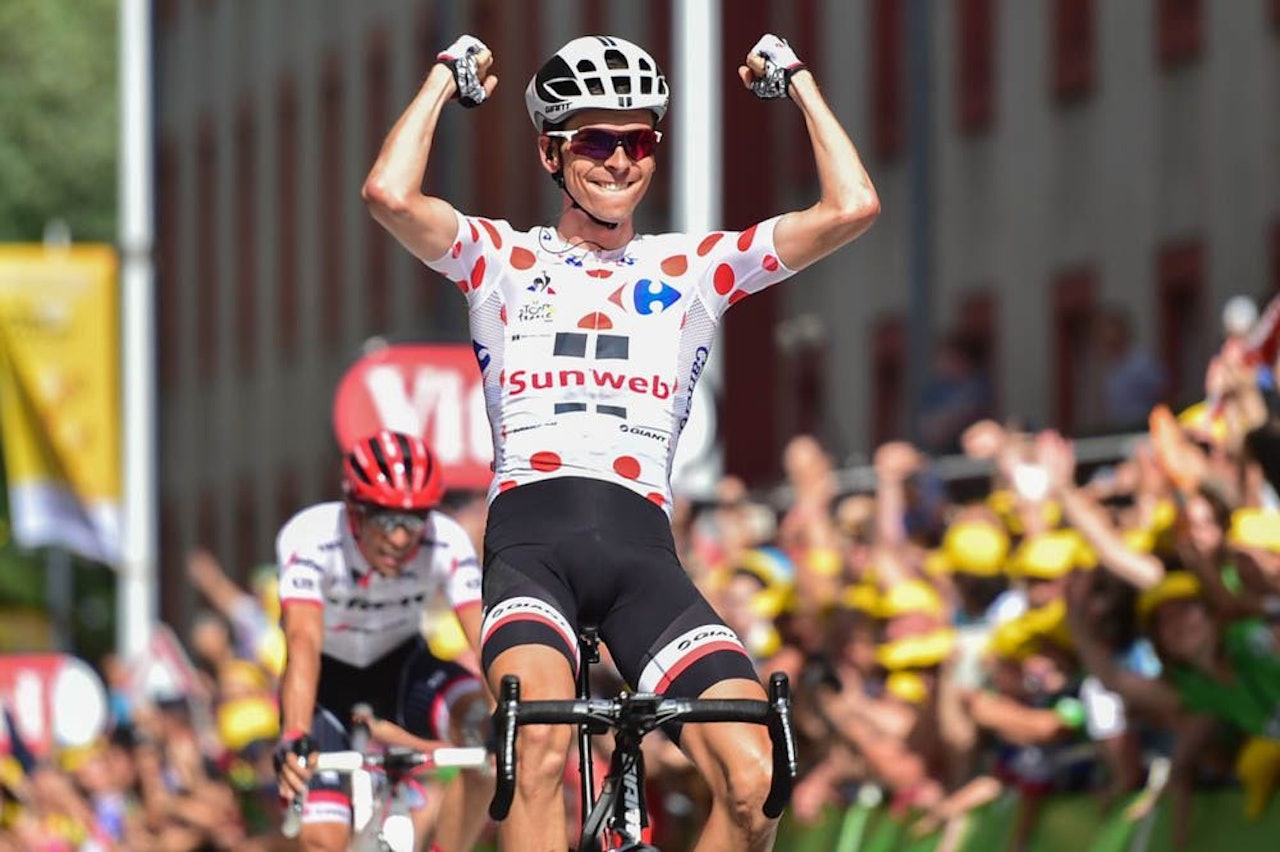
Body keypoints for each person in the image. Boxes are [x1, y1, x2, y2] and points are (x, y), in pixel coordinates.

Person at [363, 31, 878, 852]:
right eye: (596, 141)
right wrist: (442, 82)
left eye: (637, 141)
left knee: (756, 780)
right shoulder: (502, 258)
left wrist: (799, 82)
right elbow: (390, 195)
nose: (618, 161)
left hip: (645, 559)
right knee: (532, 741)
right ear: (551, 152)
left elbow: (852, 207)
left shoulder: (693, 268)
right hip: (533, 550)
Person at [273, 430, 492, 852]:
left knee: (484, 730)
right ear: (354, 510)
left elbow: (483, 635)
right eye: (386, 519)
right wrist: (295, 732)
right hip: (325, 682)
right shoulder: (311, 536)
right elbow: (302, 640)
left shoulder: (445, 538)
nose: (400, 538)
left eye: (414, 520)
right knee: (323, 841)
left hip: (402, 668)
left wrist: (506, 715)